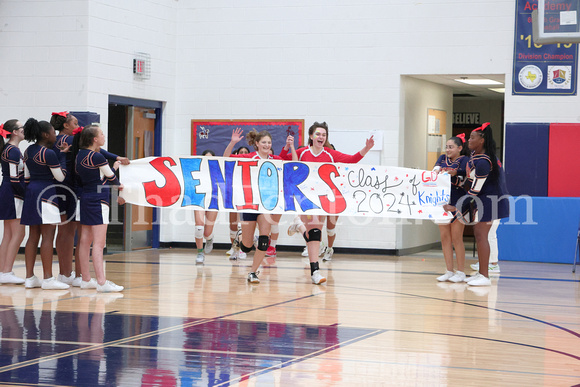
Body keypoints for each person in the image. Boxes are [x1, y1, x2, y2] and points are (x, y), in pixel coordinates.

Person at [280, 121, 375, 285]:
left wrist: (366, 149)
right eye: (318, 134)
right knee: (313, 232)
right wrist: (287, 147)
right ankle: (313, 264)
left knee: (315, 233)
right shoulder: (302, 152)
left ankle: (313, 267)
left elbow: (351, 160)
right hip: (303, 197)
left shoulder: (330, 154)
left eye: (324, 134)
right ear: (311, 136)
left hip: (322, 198)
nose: (321, 137)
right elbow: (281, 160)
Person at [224, 128, 297, 283]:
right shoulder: (249, 157)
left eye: (269, 142)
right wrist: (233, 142)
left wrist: (291, 147)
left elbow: (295, 164)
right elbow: (225, 159)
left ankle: (253, 272)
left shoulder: (275, 159)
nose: (267, 145)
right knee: (247, 246)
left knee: (264, 240)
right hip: (249, 204)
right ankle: (241, 239)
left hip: (266, 205)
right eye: (263, 142)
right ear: (256, 144)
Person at [447, 123, 509, 286]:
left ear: (482, 140)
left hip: (491, 201)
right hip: (485, 200)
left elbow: (475, 190)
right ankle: (482, 273)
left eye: (472, 137)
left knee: (482, 235)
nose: (468, 140)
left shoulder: (483, 160)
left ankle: (485, 276)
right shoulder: (478, 156)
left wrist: (455, 207)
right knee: (480, 234)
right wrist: (456, 173)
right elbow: (471, 177)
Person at [20, 118, 69, 290]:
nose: (55, 135)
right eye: (53, 133)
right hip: (47, 193)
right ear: (45, 134)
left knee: (33, 236)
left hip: (32, 192)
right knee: (48, 236)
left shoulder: (27, 151)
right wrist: (62, 155)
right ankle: (48, 278)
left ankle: (29, 277)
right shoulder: (49, 154)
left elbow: (25, 177)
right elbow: (60, 177)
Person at [75, 125, 124, 292]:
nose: (104, 136)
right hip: (98, 201)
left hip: (85, 199)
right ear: (94, 139)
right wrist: (116, 171)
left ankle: (86, 279)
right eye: (102, 134)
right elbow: (111, 179)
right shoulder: (96, 157)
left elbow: (99, 178)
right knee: (99, 243)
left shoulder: (79, 155)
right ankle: (102, 282)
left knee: (84, 241)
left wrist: (113, 169)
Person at [433, 134, 469, 283]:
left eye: (451, 147)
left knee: (456, 237)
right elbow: (434, 171)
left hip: (459, 200)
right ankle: (449, 270)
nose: (448, 150)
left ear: (459, 148)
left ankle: (460, 272)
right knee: (445, 237)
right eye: (447, 147)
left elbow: (464, 174)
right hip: (442, 200)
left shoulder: (464, 160)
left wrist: (454, 172)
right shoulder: (442, 158)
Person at [49, 111, 79, 286]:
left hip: (58, 186)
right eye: (75, 123)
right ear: (66, 125)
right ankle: (65, 273)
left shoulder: (56, 140)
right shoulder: (69, 140)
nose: (77, 126)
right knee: (68, 231)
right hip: (68, 186)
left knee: (64, 230)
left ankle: (65, 272)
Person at [0, 119, 26, 284]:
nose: (24, 130)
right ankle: (7, 271)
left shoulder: (10, 149)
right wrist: (27, 195)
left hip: (8, 190)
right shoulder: (12, 151)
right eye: (21, 128)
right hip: (12, 193)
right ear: (15, 132)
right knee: (18, 233)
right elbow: (15, 178)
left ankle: (4, 271)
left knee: (9, 234)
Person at [193, 149, 218, 263]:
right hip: (199, 200)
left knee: (207, 232)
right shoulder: (197, 170)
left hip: (213, 201)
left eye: (210, 158)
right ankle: (199, 253)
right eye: (206, 158)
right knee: (199, 227)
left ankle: (209, 239)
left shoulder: (217, 171)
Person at [226, 146, 250, 258]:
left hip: (247, 197)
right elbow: (225, 158)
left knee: (242, 225)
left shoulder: (252, 164)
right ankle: (234, 248)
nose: (244, 154)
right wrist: (232, 143)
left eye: (246, 152)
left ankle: (242, 249)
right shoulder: (233, 165)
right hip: (234, 195)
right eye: (241, 152)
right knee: (233, 225)